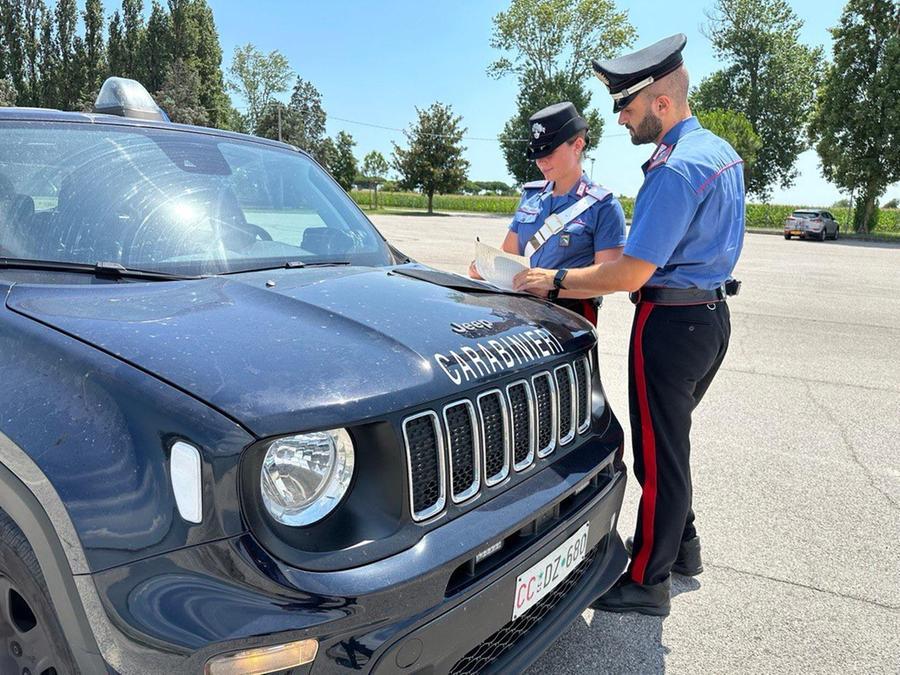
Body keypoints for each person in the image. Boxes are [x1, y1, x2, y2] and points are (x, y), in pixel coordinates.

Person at [513, 33, 745, 616]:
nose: (621, 118)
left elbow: (628, 273)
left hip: (669, 324)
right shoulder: (720, 152)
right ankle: (684, 546)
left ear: (661, 103)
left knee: (657, 456)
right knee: (672, 446)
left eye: (628, 106)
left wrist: (553, 282)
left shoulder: (673, 169)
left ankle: (647, 580)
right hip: (711, 317)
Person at [469, 101, 625, 323]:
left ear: (577, 145)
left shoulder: (603, 206)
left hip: (569, 319)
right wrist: (485, 268)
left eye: (549, 151)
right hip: (519, 313)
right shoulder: (531, 196)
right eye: (536, 153)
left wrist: (552, 288)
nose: (541, 161)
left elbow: (611, 280)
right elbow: (510, 252)